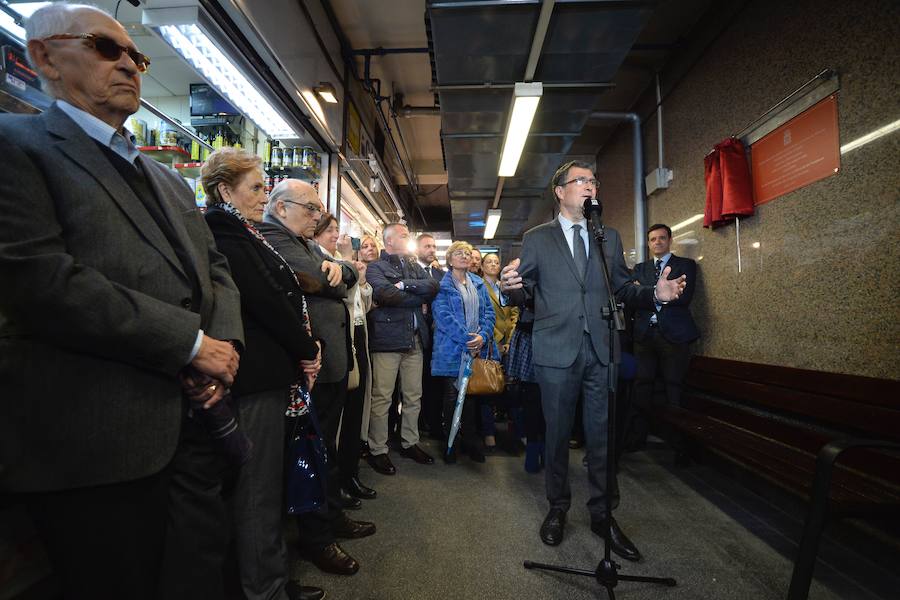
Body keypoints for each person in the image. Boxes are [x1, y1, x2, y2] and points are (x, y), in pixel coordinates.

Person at [0, 4, 243, 598]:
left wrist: (225, 347)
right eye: (106, 49)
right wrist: (189, 343)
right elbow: (43, 280)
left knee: (201, 575)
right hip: (96, 438)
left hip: (194, 424)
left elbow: (213, 266)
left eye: (136, 55)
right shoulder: (16, 146)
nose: (131, 65)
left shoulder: (165, 178)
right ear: (44, 57)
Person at [500, 160, 685, 561]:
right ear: (560, 191)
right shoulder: (537, 238)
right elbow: (523, 291)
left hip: (601, 348)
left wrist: (656, 292)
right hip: (556, 349)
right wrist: (509, 288)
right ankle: (557, 507)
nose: (589, 186)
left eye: (592, 180)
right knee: (557, 433)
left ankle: (603, 514)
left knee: (602, 435)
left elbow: (623, 287)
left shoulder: (609, 236)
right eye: (580, 181)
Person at [200, 148, 324, 600]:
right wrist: (307, 347)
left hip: (269, 374)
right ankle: (264, 590)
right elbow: (267, 299)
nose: (263, 195)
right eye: (255, 188)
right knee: (257, 491)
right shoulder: (224, 231)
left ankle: (266, 580)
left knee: (264, 486)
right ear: (224, 190)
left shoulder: (246, 232)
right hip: (254, 378)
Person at [259, 180, 375, 576]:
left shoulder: (305, 240)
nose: (317, 216)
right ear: (279, 207)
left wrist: (342, 270)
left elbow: (344, 273)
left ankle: (330, 518)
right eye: (309, 208)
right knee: (311, 453)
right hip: (309, 368)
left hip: (330, 364)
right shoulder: (273, 238)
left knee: (323, 450)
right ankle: (316, 537)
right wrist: (342, 274)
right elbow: (313, 277)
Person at [365, 223, 440, 474]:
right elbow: (385, 294)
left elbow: (432, 287)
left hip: (415, 340)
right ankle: (377, 449)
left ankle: (410, 442)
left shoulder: (413, 266)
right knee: (382, 398)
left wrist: (404, 286)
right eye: (404, 235)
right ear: (388, 241)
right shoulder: (376, 266)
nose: (409, 239)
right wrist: (414, 293)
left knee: (413, 396)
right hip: (387, 340)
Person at [312, 215, 377, 502]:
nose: (335, 235)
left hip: (358, 336)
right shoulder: (319, 260)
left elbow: (364, 303)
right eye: (329, 230)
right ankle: (334, 485)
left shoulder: (344, 262)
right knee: (335, 420)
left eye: (337, 230)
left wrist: (361, 281)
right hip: (338, 341)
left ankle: (351, 474)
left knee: (355, 410)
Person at [629, 224, 700, 460]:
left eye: (661, 238)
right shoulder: (639, 268)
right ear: (648, 244)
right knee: (641, 387)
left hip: (675, 336)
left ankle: (679, 448)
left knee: (674, 388)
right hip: (644, 336)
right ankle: (637, 439)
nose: (657, 242)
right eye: (652, 239)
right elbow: (633, 300)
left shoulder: (686, 265)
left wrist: (646, 292)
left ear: (670, 240)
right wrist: (656, 293)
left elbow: (683, 297)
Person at [431, 242, 497, 463]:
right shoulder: (442, 285)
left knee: (471, 399)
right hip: (452, 350)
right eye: (459, 253)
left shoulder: (478, 283)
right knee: (451, 399)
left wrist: (483, 336)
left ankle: (470, 441)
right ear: (449, 259)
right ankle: (451, 445)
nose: (464, 256)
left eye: (467, 253)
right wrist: (469, 339)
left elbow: (489, 313)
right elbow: (443, 317)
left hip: (475, 349)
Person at [480, 252, 522, 453]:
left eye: (496, 262)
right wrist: (497, 340)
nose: (493, 264)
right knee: (488, 389)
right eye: (489, 262)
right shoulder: (479, 286)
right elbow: (482, 315)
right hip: (489, 344)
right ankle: (489, 434)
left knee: (512, 391)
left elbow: (515, 313)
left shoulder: (506, 285)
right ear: (482, 265)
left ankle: (514, 435)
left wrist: (510, 339)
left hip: (509, 345)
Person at [415, 233, 446, 440]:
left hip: (439, 337)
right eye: (427, 246)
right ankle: (416, 423)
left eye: (434, 246)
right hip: (417, 334)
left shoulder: (441, 275)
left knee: (436, 383)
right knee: (417, 384)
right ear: (417, 249)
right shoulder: (410, 270)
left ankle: (434, 422)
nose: (432, 250)